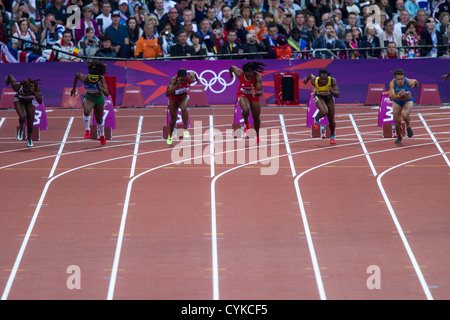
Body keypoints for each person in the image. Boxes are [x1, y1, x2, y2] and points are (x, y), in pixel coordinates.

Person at [70, 61, 109, 146]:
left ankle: (102, 135)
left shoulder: (101, 79)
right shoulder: (85, 78)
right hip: (89, 97)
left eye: (94, 80)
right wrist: (74, 88)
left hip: (99, 99)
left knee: (99, 120)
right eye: (91, 80)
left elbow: (107, 94)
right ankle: (87, 130)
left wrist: (101, 87)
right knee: (87, 111)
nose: (92, 82)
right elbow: (77, 75)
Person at [229, 62, 265, 144]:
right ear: (244, 72)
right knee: (245, 110)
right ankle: (246, 123)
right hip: (242, 94)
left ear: (253, 72)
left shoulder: (257, 76)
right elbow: (231, 67)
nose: (249, 77)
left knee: (256, 117)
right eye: (247, 75)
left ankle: (258, 135)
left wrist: (255, 93)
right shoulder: (239, 73)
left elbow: (260, 92)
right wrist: (231, 75)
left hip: (254, 95)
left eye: (250, 75)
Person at [303, 69, 340, 144]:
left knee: (331, 120)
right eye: (321, 79)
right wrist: (306, 80)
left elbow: (337, 94)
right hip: (319, 97)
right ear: (319, 77)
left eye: (325, 79)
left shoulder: (332, 81)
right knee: (324, 111)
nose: (323, 81)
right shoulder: (315, 81)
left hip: (329, 98)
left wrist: (331, 91)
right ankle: (316, 120)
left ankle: (332, 136)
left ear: (327, 78)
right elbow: (310, 75)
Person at [5, 74, 42, 147]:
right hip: (19, 100)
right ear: (23, 88)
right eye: (26, 92)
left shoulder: (35, 87)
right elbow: (11, 77)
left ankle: (29, 138)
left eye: (29, 92)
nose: (28, 93)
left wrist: (34, 92)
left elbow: (40, 101)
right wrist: (7, 79)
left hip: (29, 102)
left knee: (30, 124)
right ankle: (21, 129)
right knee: (22, 116)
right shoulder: (17, 86)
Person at [165, 68, 199, 145]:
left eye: (184, 79)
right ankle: (170, 135)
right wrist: (177, 85)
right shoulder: (174, 80)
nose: (183, 81)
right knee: (173, 120)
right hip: (173, 99)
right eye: (182, 80)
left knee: (184, 108)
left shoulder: (189, 79)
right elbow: (167, 93)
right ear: (179, 77)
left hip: (183, 97)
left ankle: (185, 130)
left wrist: (197, 80)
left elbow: (194, 73)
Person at [388, 69, 419, 144]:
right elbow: (391, 97)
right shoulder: (392, 83)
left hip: (407, 101)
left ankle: (408, 127)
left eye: (402, 79)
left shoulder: (408, 82)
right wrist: (398, 95)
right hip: (397, 102)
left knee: (404, 114)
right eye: (398, 79)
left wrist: (415, 85)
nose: (400, 81)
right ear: (395, 78)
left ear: (404, 78)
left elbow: (415, 81)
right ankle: (399, 136)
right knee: (397, 122)